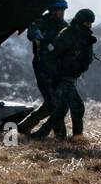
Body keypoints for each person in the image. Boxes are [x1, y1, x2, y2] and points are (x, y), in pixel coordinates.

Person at [31, 8, 97, 140]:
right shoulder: (67, 35)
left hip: (72, 77)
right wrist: (55, 76)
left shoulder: (85, 37)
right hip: (63, 77)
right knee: (77, 107)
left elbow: (86, 60)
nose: (89, 26)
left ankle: (40, 134)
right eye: (86, 23)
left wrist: (87, 50)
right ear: (80, 22)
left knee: (60, 110)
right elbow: (51, 56)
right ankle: (78, 136)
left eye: (90, 23)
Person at [18, 0, 68, 134]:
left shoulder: (63, 25)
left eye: (63, 11)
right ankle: (61, 137)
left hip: (57, 68)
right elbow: (32, 35)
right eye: (60, 11)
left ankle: (22, 128)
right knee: (54, 103)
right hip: (42, 66)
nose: (62, 13)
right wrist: (45, 39)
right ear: (52, 11)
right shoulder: (40, 23)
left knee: (50, 104)